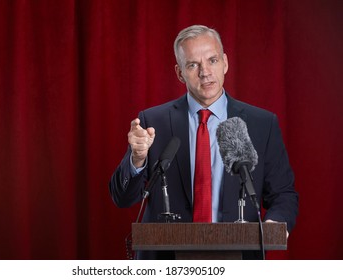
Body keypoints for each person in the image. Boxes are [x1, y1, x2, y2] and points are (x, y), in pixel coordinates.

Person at [109, 25, 298, 259]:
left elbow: (283, 195)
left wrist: (273, 226)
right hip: (166, 261)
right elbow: (123, 197)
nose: (205, 72)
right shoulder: (152, 122)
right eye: (193, 65)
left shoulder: (262, 123)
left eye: (213, 60)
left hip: (238, 258)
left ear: (225, 63)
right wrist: (136, 159)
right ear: (179, 73)